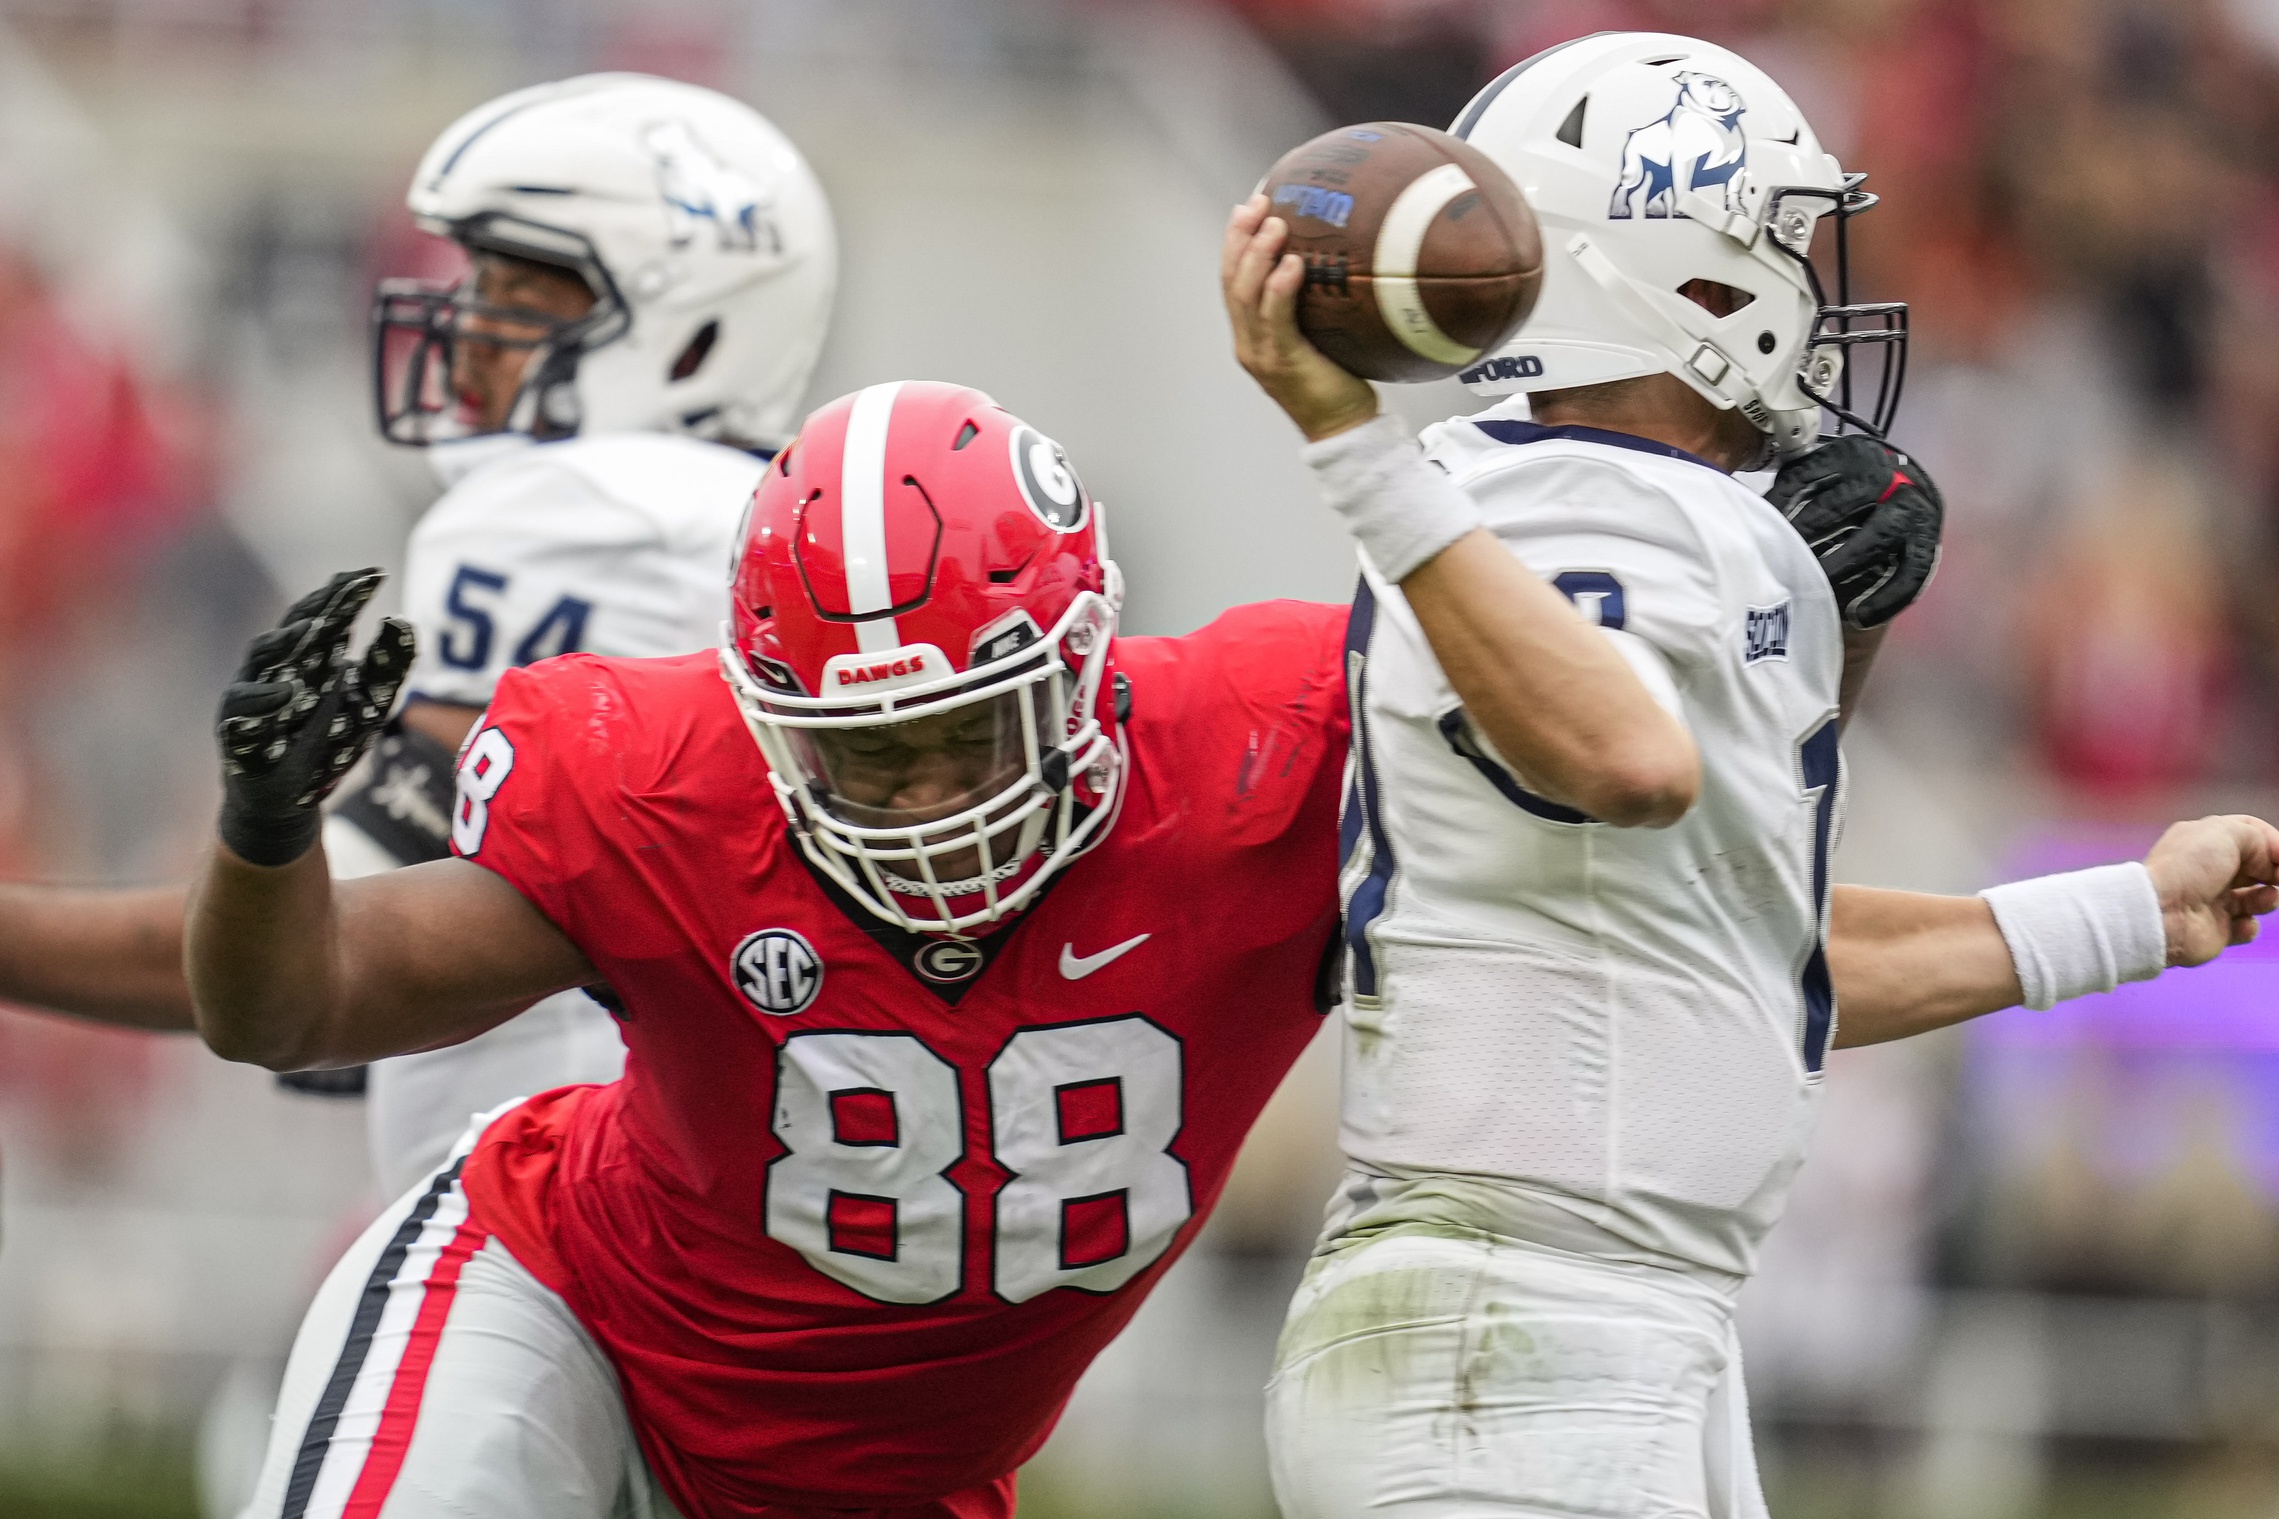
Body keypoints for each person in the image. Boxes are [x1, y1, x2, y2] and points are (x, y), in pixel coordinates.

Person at [174, 369, 2272, 1517]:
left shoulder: (1267, 754)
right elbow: (291, 1002)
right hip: (566, 1315)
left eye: (957, 731)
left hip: (894, 1484)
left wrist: (2114, 912)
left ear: (1083, 663)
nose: (912, 797)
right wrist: (267, 835)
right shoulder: (660, 775)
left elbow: (1700, 949)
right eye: (855, 748)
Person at [1216, 32, 2271, 1519]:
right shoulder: (1579, 500)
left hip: (1593, 1320)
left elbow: (1753, 948)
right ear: (1657, 272)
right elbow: (1629, 761)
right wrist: (1348, 447)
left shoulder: (1559, 505)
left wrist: (2125, 915)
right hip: (1518, 1336)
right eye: (1775, 237)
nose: (1811, 278)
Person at [0, 71, 837, 1201]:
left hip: (574, 1201)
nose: (465, 338)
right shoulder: (764, 517)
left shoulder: (590, 514)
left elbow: (290, 960)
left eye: (519, 298)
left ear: (692, 329)